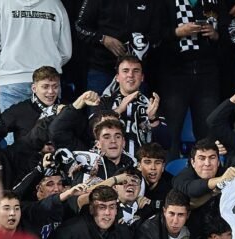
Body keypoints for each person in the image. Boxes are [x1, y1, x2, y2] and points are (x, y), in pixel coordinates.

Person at [156, 0, 225, 160]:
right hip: (175, 74)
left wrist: (215, 34)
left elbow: (230, 36)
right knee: (171, 132)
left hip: (207, 75)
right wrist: (177, 32)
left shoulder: (214, 2)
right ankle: (167, 179)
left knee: (207, 131)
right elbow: (154, 34)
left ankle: (207, 180)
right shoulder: (166, 4)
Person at [0, 0, 73, 113]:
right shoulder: (56, 4)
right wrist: (48, 70)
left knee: (13, 129)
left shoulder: (0, 3)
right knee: (49, 129)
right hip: (48, 81)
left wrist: (10, 65)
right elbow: (66, 52)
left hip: (12, 81)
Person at [74, 0, 162, 94]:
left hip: (135, 71)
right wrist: (103, 39)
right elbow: (80, 27)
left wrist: (139, 45)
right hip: (102, 68)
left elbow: (157, 35)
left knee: (136, 108)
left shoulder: (152, 3)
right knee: (98, 107)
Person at [100, 54, 164, 156]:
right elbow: (94, 129)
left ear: (142, 77)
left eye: (136, 71)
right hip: (111, 165)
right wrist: (119, 109)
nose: (130, 75)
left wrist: (153, 119)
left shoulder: (151, 103)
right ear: (117, 77)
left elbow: (166, 143)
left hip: (143, 166)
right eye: (125, 71)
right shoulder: (104, 101)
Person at [0, 65, 64, 150]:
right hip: (28, 161)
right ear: (34, 88)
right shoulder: (18, 111)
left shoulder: (68, 109)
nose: (51, 91)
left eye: (55, 86)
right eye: (45, 87)